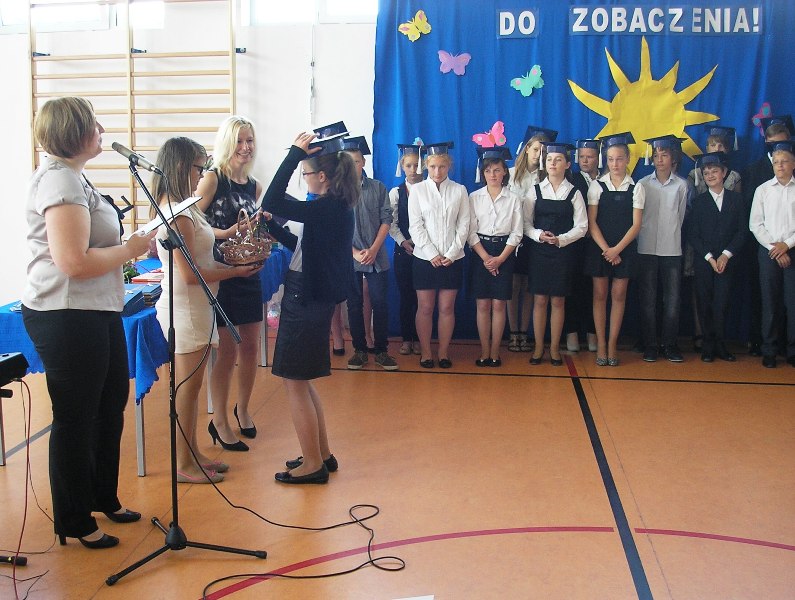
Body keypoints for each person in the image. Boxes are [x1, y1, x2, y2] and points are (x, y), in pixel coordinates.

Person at [22, 97, 156, 548]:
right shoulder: (58, 180)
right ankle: (75, 520)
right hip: (65, 313)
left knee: (110, 402)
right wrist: (130, 249)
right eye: (94, 123)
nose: (102, 129)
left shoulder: (75, 176)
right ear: (75, 132)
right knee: (76, 417)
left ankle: (103, 496)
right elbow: (74, 263)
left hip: (96, 309)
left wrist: (128, 246)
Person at [152, 137, 261, 484]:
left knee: (194, 387)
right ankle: (183, 463)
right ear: (181, 167)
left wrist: (230, 256)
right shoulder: (177, 215)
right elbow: (189, 275)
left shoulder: (187, 208)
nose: (202, 175)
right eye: (199, 168)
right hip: (186, 309)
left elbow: (200, 260)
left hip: (198, 307)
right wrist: (235, 272)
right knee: (187, 389)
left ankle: (193, 452)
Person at [261, 131, 359, 483]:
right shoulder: (332, 206)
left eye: (305, 173)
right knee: (301, 380)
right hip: (312, 295)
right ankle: (322, 454)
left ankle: (313, 465)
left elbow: (272, 198)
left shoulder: (326, 207)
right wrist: (271, 226)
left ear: (322, 176)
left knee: (294, 382)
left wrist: (293, 154)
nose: (304, 179)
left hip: (305, 298)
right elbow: (302, 246)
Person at [196, 116, 262, 448]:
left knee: (251, 346)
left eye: (249, 140)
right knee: (227, 349)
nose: (246, 147)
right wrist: (227, 233)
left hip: (249, 272)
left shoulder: (254, 186)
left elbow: (251, 229)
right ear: (227, 143)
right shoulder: (212, 179)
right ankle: (219, 419)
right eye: (239, 141)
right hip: (221, 275)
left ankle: (243, 408)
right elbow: (192, 225)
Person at [408, 142, 470, 369]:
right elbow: (415, 226)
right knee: (425, 308)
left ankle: (443, 352)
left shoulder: (459, 190)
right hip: (425, 259)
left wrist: (452, 253)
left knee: (446, 308)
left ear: (449, 166)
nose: (437, 171)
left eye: (442, 167)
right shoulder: (418, 190)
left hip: (452, 259)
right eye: (433, 167)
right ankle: (426, 352)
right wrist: (431, 253)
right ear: (426, 166)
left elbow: (464, 225)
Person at [584, 133, 644, 366]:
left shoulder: (636, 188)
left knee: (619, 295)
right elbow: (592, 222)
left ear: (627, 159)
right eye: (610, 159)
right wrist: (607, 250)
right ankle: (601, 343)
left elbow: (636, 225)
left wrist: (617, 249)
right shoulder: (597, 186)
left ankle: (612, 344)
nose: (615, 164)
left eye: (619, 159)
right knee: (599, 295)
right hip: (600, 248)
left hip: (624, 249)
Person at [526, 142, 588, 366]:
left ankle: (554, 348)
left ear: (567, 164)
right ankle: (538, 347)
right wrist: (539, 235)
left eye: (558, 160)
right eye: (550, 159)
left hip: (562, 253)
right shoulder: (534, 190)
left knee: (558, 301)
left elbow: (582, 227)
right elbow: (525, 224)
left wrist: (561, 239)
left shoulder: (574, 192)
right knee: (540, 300)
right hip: (539, 252)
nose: (553, 163)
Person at [341, 136, 398, 371]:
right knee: (354, 305)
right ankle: (360, 351)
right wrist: (354, 253)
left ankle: (382, 351)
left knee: (380, 302)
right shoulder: (337, 192)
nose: (352, 166)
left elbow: (387, 219)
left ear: (363, 162)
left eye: (356, 161)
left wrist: (374, 249)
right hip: (350, 257)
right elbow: (334, 229)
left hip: (377, 256)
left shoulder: (378, 187)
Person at [685, 125, 742, 352]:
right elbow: (693, 234)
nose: (710, 175)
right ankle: (707, 346)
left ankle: (721, 345)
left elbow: (741, 231)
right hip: (705, 260)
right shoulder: (699, 203)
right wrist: (709, 257)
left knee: (722, 303)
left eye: (715, 171)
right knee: (704, 302)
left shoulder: (735, 201)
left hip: (726, 260)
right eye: (706, 172)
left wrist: (726, 255)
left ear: (724, 173)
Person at [741, 115, 793, 357]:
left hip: (791, 248)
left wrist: (786, 245)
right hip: (765, 250)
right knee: (767, 301)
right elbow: (754, 221)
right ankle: (767, 347)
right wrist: (774, 247)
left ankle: (790, 348)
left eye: (784, 161)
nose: (780, 165)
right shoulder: (759, 182)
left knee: (791, 302)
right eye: (776, 161)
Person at [637, 135, 691, 363]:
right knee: (648, 300)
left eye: (664, 155)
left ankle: (669, 344)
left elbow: (681, 216)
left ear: (673, 158)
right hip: (646, 247)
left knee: (672, 300)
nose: (659, 159)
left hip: (671, 248)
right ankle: (650, 344)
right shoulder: (643, 184)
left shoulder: (681, 185)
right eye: (656, 155)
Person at [468, 147, 523, 367]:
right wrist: (485, 258)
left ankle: (495, 352)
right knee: (482, 305)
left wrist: (499, 259)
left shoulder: (514, 198)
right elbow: (470, 232)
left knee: (499, 305)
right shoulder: (474, 197)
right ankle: (484, 350)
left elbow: (517, 232)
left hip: (504, 252)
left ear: (504, 172)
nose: (493, 174)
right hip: (480, 251)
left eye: (497, 170)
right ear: (483, 173)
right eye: (488, 170)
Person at [507, 126, 557, 353]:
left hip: (534, 237)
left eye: (544, 151)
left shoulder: (546, 178)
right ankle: (512, 332)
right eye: (536, 149)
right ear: (527, 149)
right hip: (510, 237)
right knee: (512, 285)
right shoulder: (509, 174)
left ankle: (523, 332)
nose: (539, 154)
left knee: (528, 286)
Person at [566, 138, 601, 353]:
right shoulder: (570, 179)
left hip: (598, 243)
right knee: (573, 287)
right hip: (576, 243)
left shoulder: (607, 179)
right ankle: (571, 332)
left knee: (594, 291)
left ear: (598, 158)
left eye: (590, 157)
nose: (585, 161)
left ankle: (592, 332)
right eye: (581, 157)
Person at [389, 143, 423, 355]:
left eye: (417, 165)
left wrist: (421, 243)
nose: (413, 169)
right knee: (406, 297)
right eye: (409, 165)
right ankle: (406, 339)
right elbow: (391, 223)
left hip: (425, 251)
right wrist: (403, 242)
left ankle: (420, 338)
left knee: (422, 299)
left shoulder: (430, 189)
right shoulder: (396, 192)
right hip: (403, 250)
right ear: (402, 167)